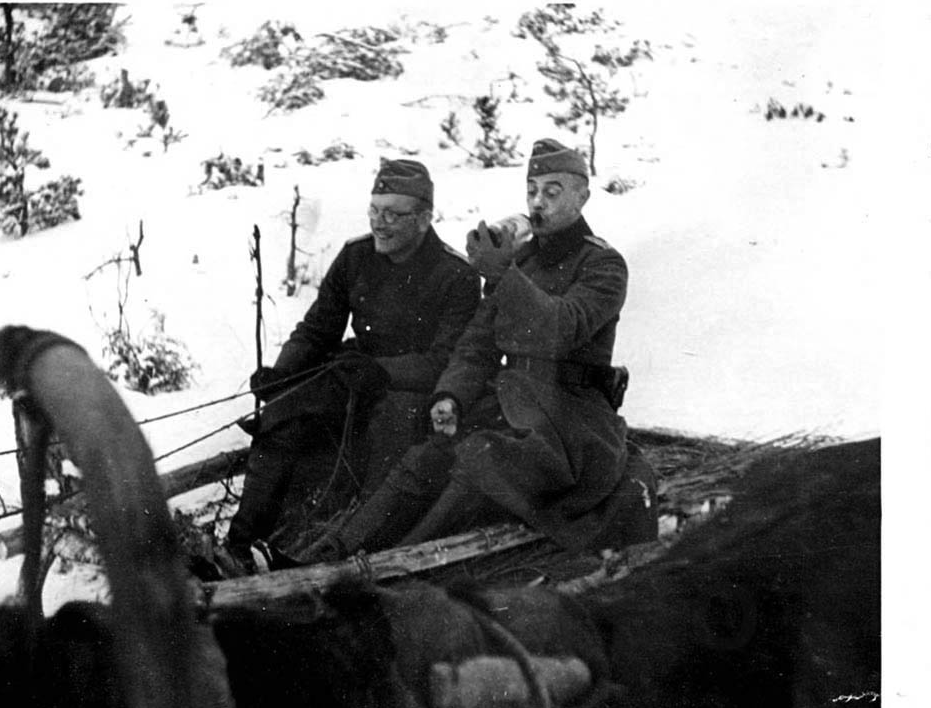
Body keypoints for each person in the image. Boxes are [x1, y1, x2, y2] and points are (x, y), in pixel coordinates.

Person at [299, 137, 656, 561]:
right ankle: (327, 555)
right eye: (532, 191)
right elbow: (477, 346)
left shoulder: (602, 265)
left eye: (552, 192)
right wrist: (451, 395)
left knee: (478, 461)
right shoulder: (523, 263)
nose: (537, 202)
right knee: (430, 453)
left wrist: (504, 275)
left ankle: (396, 567)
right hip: (514, 402)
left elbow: (560, 328)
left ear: (582, 197)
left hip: (573, 420)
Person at [220, 158, 481, 574]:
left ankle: (334, 559)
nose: (379, 223)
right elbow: (316, 330)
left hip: (409, 391)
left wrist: (381, 372)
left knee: (392, 429)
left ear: (424, 219)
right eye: (374, 211)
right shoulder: (356, 256)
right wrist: (285, 374)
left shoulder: (456, 275)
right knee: (284, 413)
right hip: (352, 375)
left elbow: (447, 361)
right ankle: (239, 548)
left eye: (392, 214)